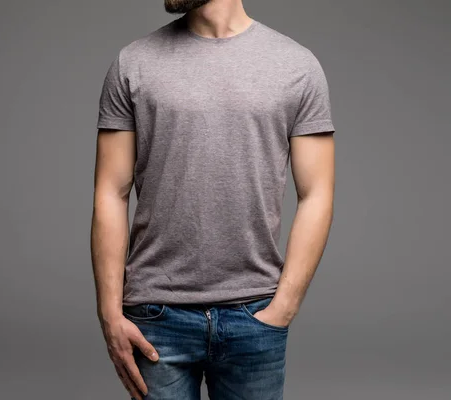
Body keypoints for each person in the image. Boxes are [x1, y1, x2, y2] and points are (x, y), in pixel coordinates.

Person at [90, 0, 336, 398]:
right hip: (155, 317)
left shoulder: (296, 66)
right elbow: (110, 193)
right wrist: (109, 313)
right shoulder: (133, 63)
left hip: (254, 315)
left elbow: (317, 194)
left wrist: (283, 306)